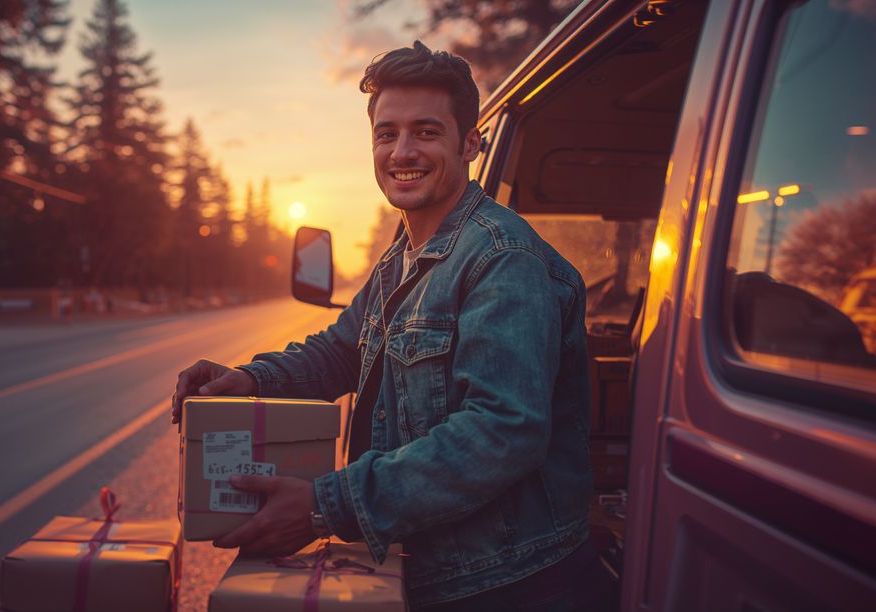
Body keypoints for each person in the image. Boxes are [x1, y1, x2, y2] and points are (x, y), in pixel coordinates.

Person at [172, 41, 600, 610]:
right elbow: (341, 352)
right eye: (386, 133)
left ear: (469, 143)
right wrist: (250, 380)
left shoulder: (501, 257)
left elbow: (503, 429)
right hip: (431, 567)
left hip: (507, 581)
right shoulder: (404, 254)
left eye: (426, 131)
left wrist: (327, 505)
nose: (402, 151)